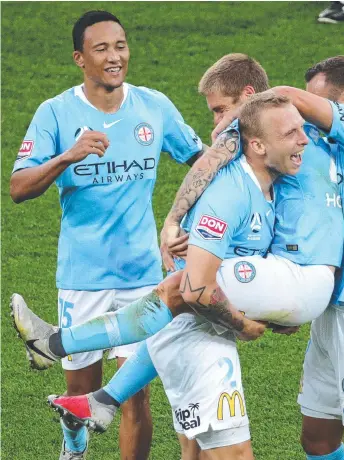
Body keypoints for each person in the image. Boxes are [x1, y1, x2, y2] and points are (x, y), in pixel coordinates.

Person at [12, 54, 344, 457]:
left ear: (252, 99)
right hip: (293, 286)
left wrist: (244, 321)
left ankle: (60, 348)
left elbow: (211, 165)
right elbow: (213, 162)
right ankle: (100, 399)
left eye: (222, 111)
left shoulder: (275, 136)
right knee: (192, 415)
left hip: (296, 284)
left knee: (180, 290)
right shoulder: (269, 155)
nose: (218, 123)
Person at [9, 10, 205, 460]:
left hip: (141, 275)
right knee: (81, 394)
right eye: (102, 49)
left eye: (120, 46)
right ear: (81, 58)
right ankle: (73, 447)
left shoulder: (153, 106)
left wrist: (187, 226)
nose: (115, 57)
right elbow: (19, 188)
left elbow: (202, 163)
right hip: (83, 276)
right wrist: (66, 157)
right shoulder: (55, 112)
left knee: (134, 396)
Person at [214, 55, 344, 460]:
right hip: (333, 308)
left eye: (317, 107)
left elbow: (286, 96)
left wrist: (238, 116)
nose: (306, 125)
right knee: (319, 440)